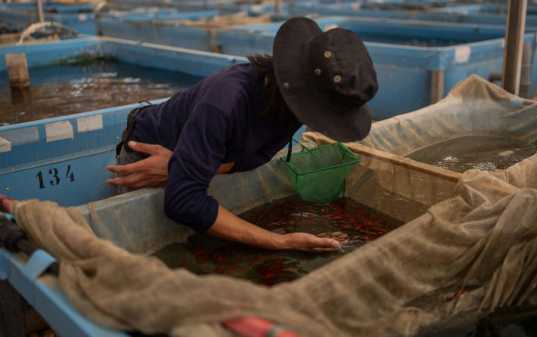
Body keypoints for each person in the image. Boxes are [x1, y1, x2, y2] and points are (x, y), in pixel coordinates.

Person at [106, 17, 379, 252]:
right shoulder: (224, 103)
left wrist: (181, 165)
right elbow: (182, 201)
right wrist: (279, 241)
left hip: (178, 164)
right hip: (146, 157)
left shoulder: (290, 107)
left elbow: (236, 158)